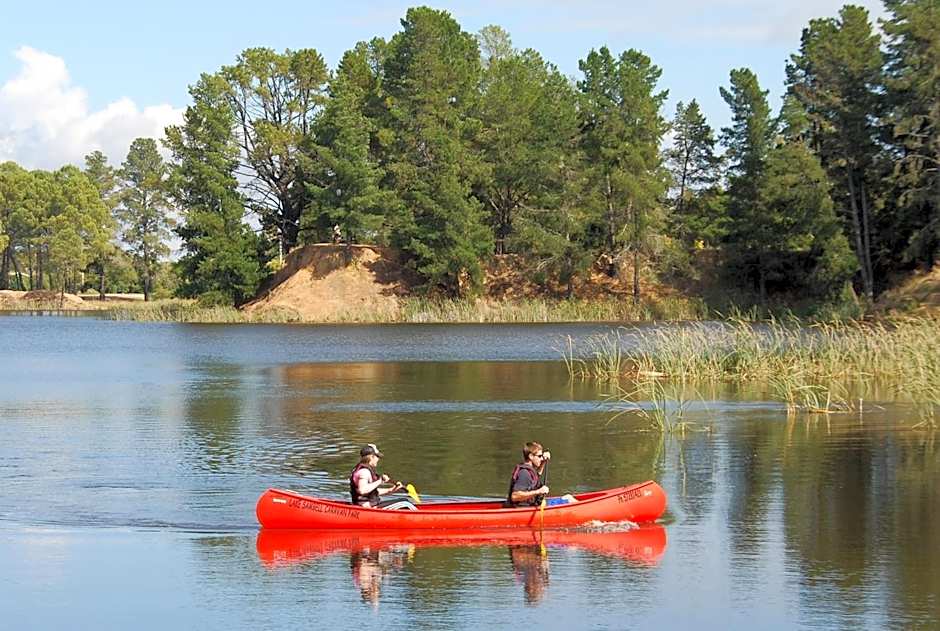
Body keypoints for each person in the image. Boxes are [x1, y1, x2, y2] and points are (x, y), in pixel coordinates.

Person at [505, 441, 577, 508]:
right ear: (531, 456)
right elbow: (514, 496)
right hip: (525, 509)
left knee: (568, 497)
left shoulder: (529, 470)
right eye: (539, 456)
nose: (541, 458)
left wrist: (544, 462)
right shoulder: (524, 473)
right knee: (569, 500)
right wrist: (538, 491)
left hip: (534, 505)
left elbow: (535, 477)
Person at [350, 443, 416, 510]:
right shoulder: (364, 472)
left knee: (404, 500)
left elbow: (372, 492)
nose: (378, 459)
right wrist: (380, 480)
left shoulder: (362, 470)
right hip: (368, 508)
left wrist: (390, 490)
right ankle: (420, 518)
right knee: (406, 503)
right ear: (371, 457)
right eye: (377, 457)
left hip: (369, 506)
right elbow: (362, 490)